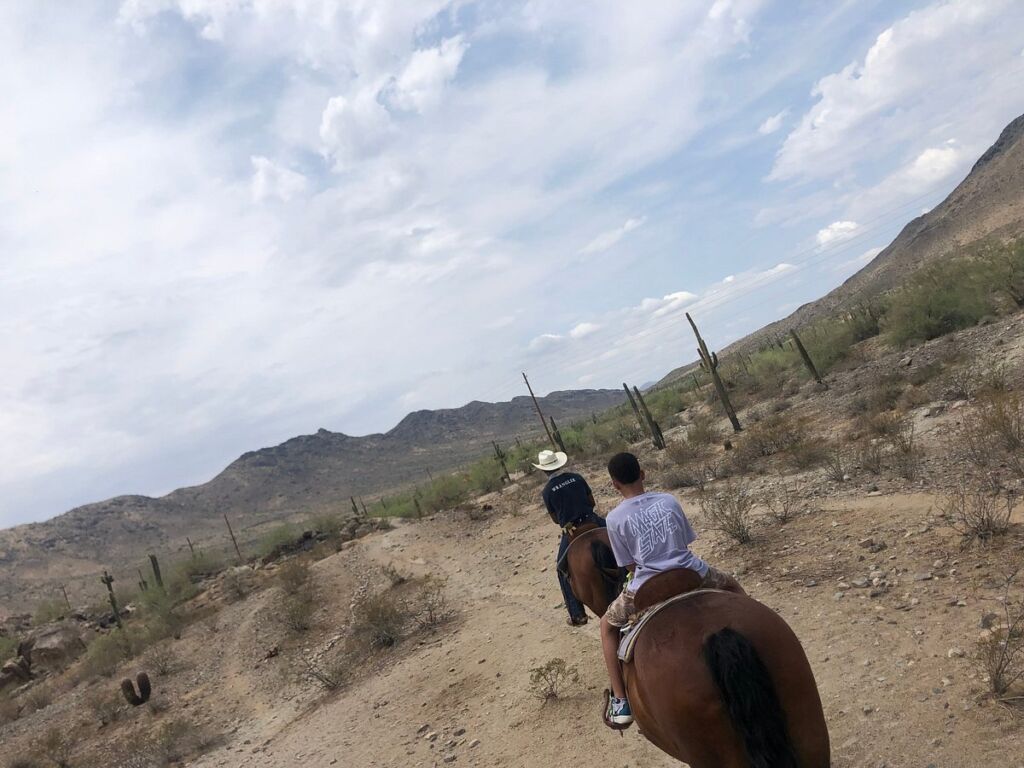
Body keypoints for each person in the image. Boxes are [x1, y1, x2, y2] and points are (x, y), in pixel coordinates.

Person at [599, 452, 745, 727]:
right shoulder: (668, 500)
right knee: (733, 585)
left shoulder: (615, 518)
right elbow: (685, 541)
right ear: (643, 474)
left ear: (615, 484)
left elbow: (629, 565)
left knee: (607, 627)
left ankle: (620, 700)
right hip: (691, 571)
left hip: (646, 583)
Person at [534, 449, 606, 627]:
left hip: (571, 530)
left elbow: (555, 519)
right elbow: (592, 502)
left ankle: (577, 614)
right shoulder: (576, 477)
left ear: (544, 470)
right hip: (592, 520)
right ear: (559, 464)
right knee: (622, 537)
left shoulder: (547, 491)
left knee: (561, 567)